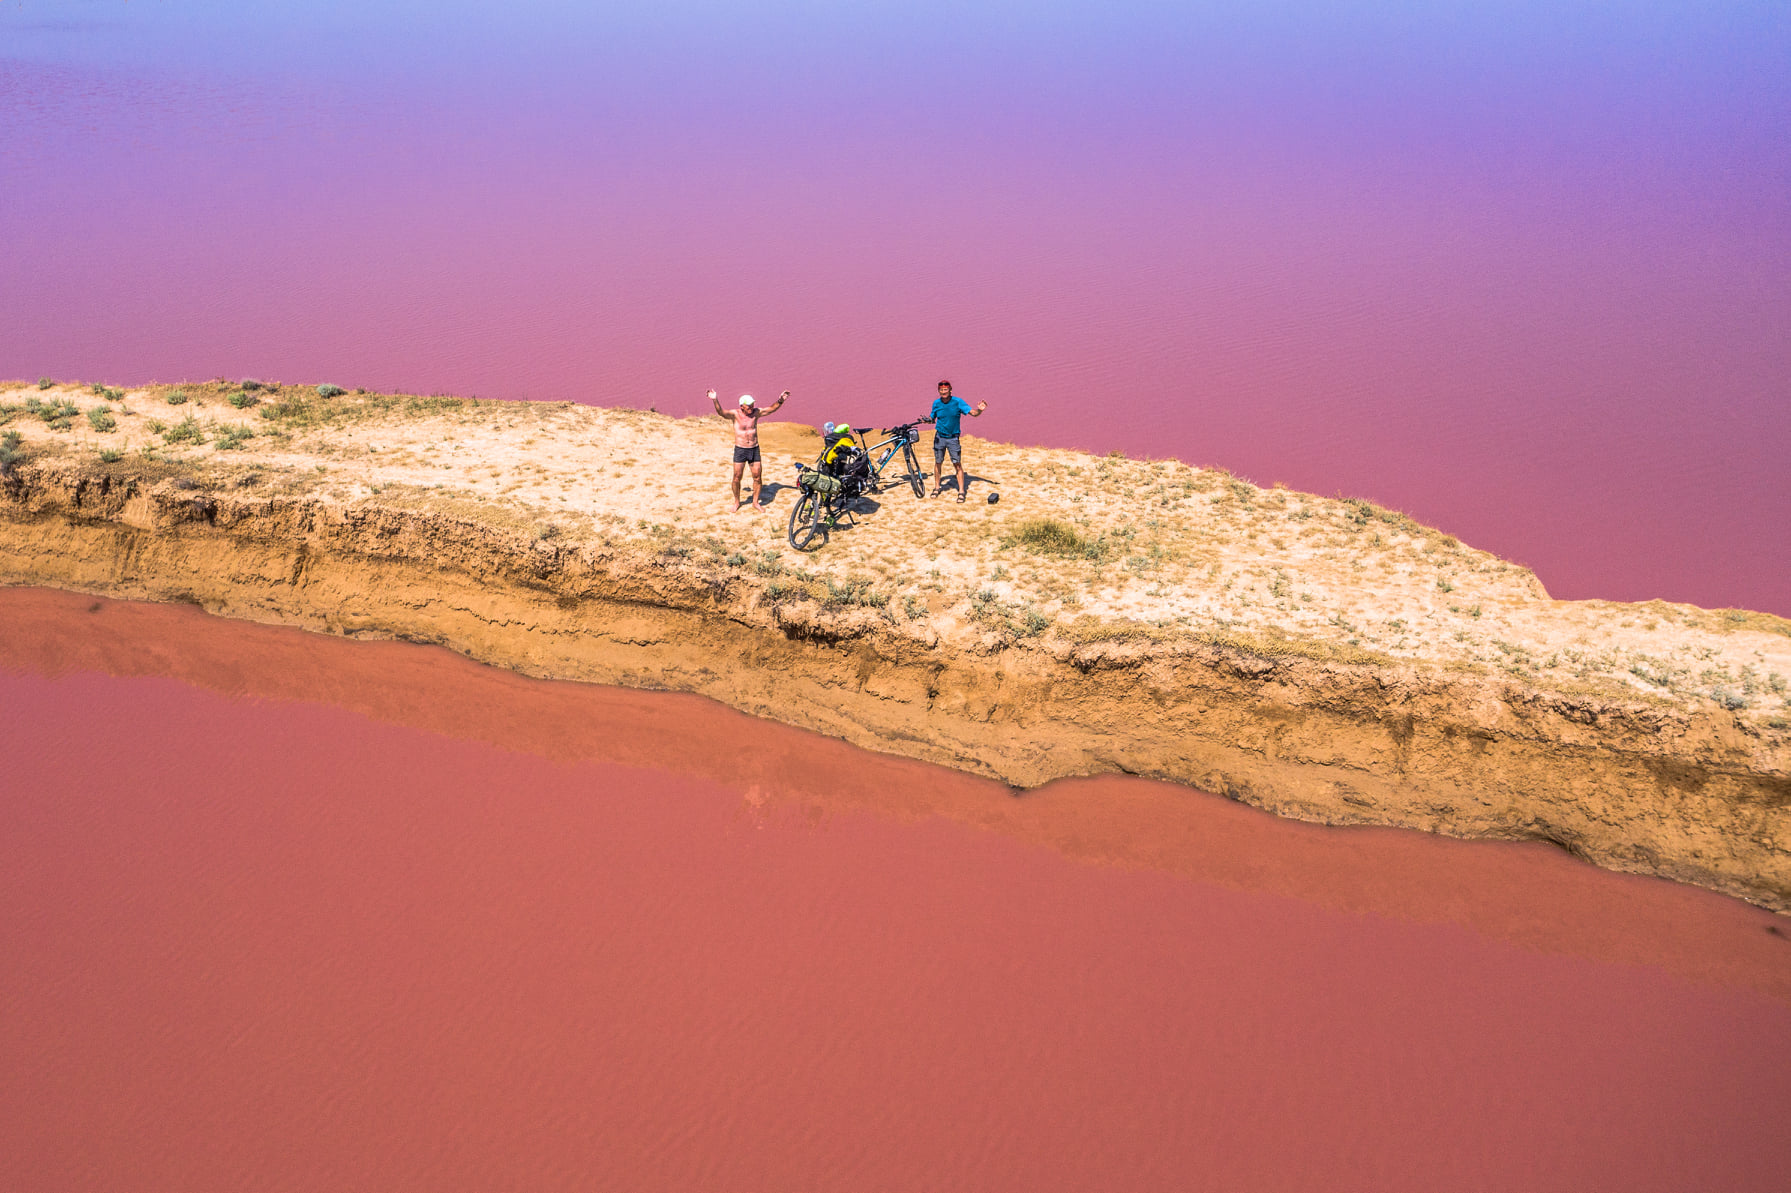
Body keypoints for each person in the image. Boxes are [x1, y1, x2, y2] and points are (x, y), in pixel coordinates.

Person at [709, 387, 789, 512]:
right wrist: (715, 399)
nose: (752, 407)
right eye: (749, 405)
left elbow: (771, 409)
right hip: (740, 449)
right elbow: (721, 412)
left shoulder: (756, 413)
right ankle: (737, 502)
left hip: (754, 449)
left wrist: (781, 400)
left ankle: (755, 502)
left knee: (757, 476)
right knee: (737, 477)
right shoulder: (735, 414)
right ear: (742, 406)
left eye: (752, 404)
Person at [924, 380, 987, 501]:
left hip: (953, 438)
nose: (943, 392)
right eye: (941, 390)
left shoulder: (958, 402)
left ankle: (961, 491)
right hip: (939, 437)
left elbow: (973, 413)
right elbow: (932, 418)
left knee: (957, 464)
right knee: (938, 462)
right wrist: (927, 420)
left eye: (946, 390)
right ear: (939, 391)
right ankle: (937, 487)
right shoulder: (936, 403)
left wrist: (980, 410)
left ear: (950, 390)